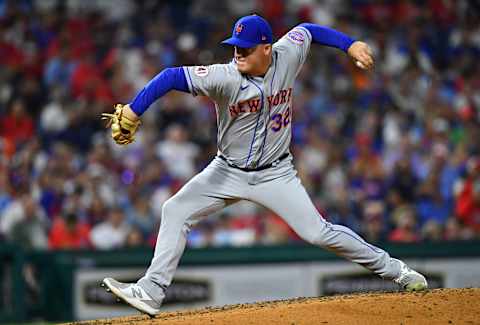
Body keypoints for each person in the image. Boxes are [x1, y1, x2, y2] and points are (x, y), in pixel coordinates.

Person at [101, 15, 428, 317]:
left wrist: (350, 44)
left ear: (267, 48)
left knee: (318, 232)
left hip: (276, 173)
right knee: (174, 210)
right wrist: (134, 108)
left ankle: (397, 271)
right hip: (226, 171)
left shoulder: (287, 54)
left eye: (245, 49)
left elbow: (310, 30)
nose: (238, 54)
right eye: (235, 48)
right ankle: (151, 291)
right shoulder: (224, 77)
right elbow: (171, 77)